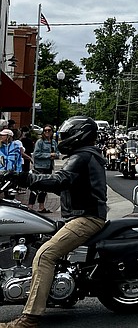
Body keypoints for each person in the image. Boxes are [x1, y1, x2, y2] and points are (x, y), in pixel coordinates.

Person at [0, 116, 107, 328]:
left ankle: (29, 319)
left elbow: (60, 181)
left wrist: (22, 177)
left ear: (80, 135)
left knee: (45, 256)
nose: (63, 138)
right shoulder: (85, 155)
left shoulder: (83, 156)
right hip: (77, 215)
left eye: (67, 134)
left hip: (87, 218)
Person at [28, 125, 59, 213]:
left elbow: (57, 153)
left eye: (49, 130)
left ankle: (41, 207)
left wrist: (55, 155)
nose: (47, 132)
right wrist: (49, 155)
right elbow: (36, 154)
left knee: (44, 187)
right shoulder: (40, 142)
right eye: (45, 130)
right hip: (39, 167)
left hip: (48, 167)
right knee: (35, 187)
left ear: (52, 132)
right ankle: (30, 207)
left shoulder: (53, 142)